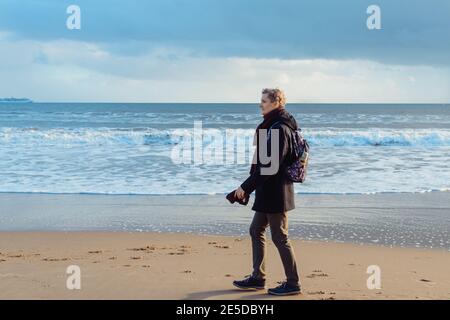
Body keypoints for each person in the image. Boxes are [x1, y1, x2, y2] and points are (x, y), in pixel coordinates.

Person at [232, 88, 301, 296]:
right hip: (268, 191)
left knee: (280, 237)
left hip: (276, 192)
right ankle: (257, 277)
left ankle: (293, 283)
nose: (260, 104)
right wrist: (250, 186)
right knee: (256, 230)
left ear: (276, 102)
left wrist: (245, 187)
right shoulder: (272, 125)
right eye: (260, 100)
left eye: (264, 101)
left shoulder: (279, 129)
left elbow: (269, 167)